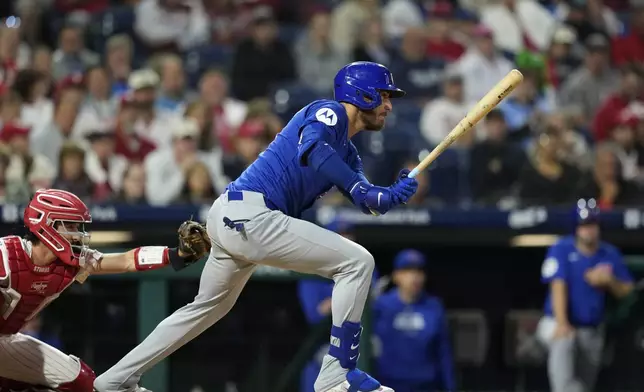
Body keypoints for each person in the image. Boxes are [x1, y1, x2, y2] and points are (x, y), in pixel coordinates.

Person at [94, 61, 419, 392]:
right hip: (251, 214)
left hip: (239, 217)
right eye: (383, 95)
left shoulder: (348, 153)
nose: (389, 105)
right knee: (358, 262)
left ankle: (114, 379)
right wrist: (366, 191)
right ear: (361, 94)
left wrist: (393, 194)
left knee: (206, 309)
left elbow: (366, 200)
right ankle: (337, 373)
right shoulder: (329, 112)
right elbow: (315, 149)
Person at [0, 189, 208, 392]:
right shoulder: (5, 254)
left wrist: (177, 254)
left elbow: (126, 261)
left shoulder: (71, 263)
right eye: (70, 226)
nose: (77, 234)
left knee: (82, 382)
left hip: (6, 340)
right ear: (46, 223)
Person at [537, 199, 634, 392]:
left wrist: (610, 281)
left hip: (591, 330)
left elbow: (628, 291)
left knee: (585, 384)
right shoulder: (561, 248)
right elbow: (558, 286)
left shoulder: (609, 254)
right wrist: (563, 322)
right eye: (584, 225)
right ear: (576, 228)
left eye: (592, 224)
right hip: (557, 322)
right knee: (564, 346)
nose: (589, 230)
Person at [373, 250, 455, 392]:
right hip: (388, 383)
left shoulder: (434, 306)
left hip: (425, 384)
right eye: (407, 271)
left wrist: (450, 387)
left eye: (419, 271)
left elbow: (443, 351)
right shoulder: (381, 305)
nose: (414, 277)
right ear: (396, 275)